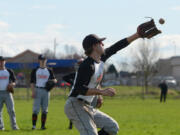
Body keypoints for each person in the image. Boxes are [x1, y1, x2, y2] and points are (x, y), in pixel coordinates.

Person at [30, 55, 57, 130]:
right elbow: (32, 82)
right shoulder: (35, 70)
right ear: (39, 60)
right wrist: (33, 92)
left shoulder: (49, 70)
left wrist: (53, 81)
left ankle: (42, 126)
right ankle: (34, 126)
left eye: (44, 59)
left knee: (45, 110)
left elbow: (54, 80)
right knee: (36, 109)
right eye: (41, 59)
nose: (42, 61)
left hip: (46, 91)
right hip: (37, 90)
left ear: (46, 60)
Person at [0, 56, 19, 130]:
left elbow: (14, 81)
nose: (1, 62)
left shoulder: (9, 71)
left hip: (8, 93)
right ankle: (1, 127)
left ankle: (14, 126)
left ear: (5, 62)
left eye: (2, 61)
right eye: (0, 61)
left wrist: (12, 84)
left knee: (11, 110)